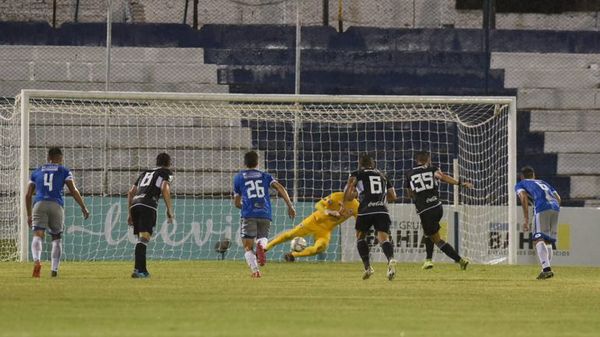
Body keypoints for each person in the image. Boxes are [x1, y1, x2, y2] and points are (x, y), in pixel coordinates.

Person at [25, 147, 90, 278]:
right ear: (60, 158)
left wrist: (29, 215)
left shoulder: (37, 171)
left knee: (38, 234)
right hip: (56, 205)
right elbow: (73, 190)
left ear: (48, 158)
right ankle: (54, 270)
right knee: (56, 237)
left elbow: (28, 195)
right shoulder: (64, 170)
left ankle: (37, 261)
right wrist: (83, 207)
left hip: (39, 204)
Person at [233, 150, 296, 278]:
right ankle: (261, 246)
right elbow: (279, 187)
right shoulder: (265, 176)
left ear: (245, 163)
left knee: (247, 247)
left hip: (249, 213)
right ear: (257, 163)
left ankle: (255, 271)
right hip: (265, 213)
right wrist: (290, 206)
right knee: (263, 237)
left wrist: (242, 206)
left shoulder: (239, 177)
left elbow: (236, 202)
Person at [405, 151, 471, 271]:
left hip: (425, 209)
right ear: (428, 159)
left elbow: (409, 193)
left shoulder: (409, 173)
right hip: (437, 206)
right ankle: (459, 260)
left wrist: (418, 197)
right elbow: (443, 177)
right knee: (434, 237)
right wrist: (460, 183)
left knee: (433, 237)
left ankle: (429, 260)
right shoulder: (433, 169)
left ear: (417, 161)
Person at [344, 153, 398, 281]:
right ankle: (390, 259)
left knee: (360, 237)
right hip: (382, 210)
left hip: (365, 210)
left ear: (360, 164)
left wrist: (351, 195)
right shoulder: (383, 175)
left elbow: (349, 195)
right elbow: (393, 196)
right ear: (372, 164)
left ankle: (368, 267)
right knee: (383, 238)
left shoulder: (357, 174)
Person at [265, 191, 359, 262]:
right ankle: (265, 248)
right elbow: (318, 204)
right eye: (350, 188)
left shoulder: (356, 206)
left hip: (325, 231)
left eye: (354, 190)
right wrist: (328, 211)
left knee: (320, 248)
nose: (351, 191)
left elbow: (360, 220)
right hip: (313, 221)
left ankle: (292, 255)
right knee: (290, 235)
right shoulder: (337, 196)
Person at [127, 152, 174, 278]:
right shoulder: (166, 172)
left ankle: (142, 270)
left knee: (141, 238)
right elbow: (164, 187)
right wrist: (169, 209)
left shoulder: (145, 172)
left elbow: (131, 192)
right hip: (148, 205)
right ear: (168, 163)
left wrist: (130, 213)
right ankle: (138, 270)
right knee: (144, 238)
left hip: (135, 204)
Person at [515, 166, 560, 280]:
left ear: (521, 177)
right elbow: (558, 198)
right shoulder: (542, 182)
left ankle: (546, 269)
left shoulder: (521, 184)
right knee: (547, 240)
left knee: (538, 239)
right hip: (555, 206)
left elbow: (523, 198)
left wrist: (526, 219)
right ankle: (545, 268)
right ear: (533, 175)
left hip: (542, 207)